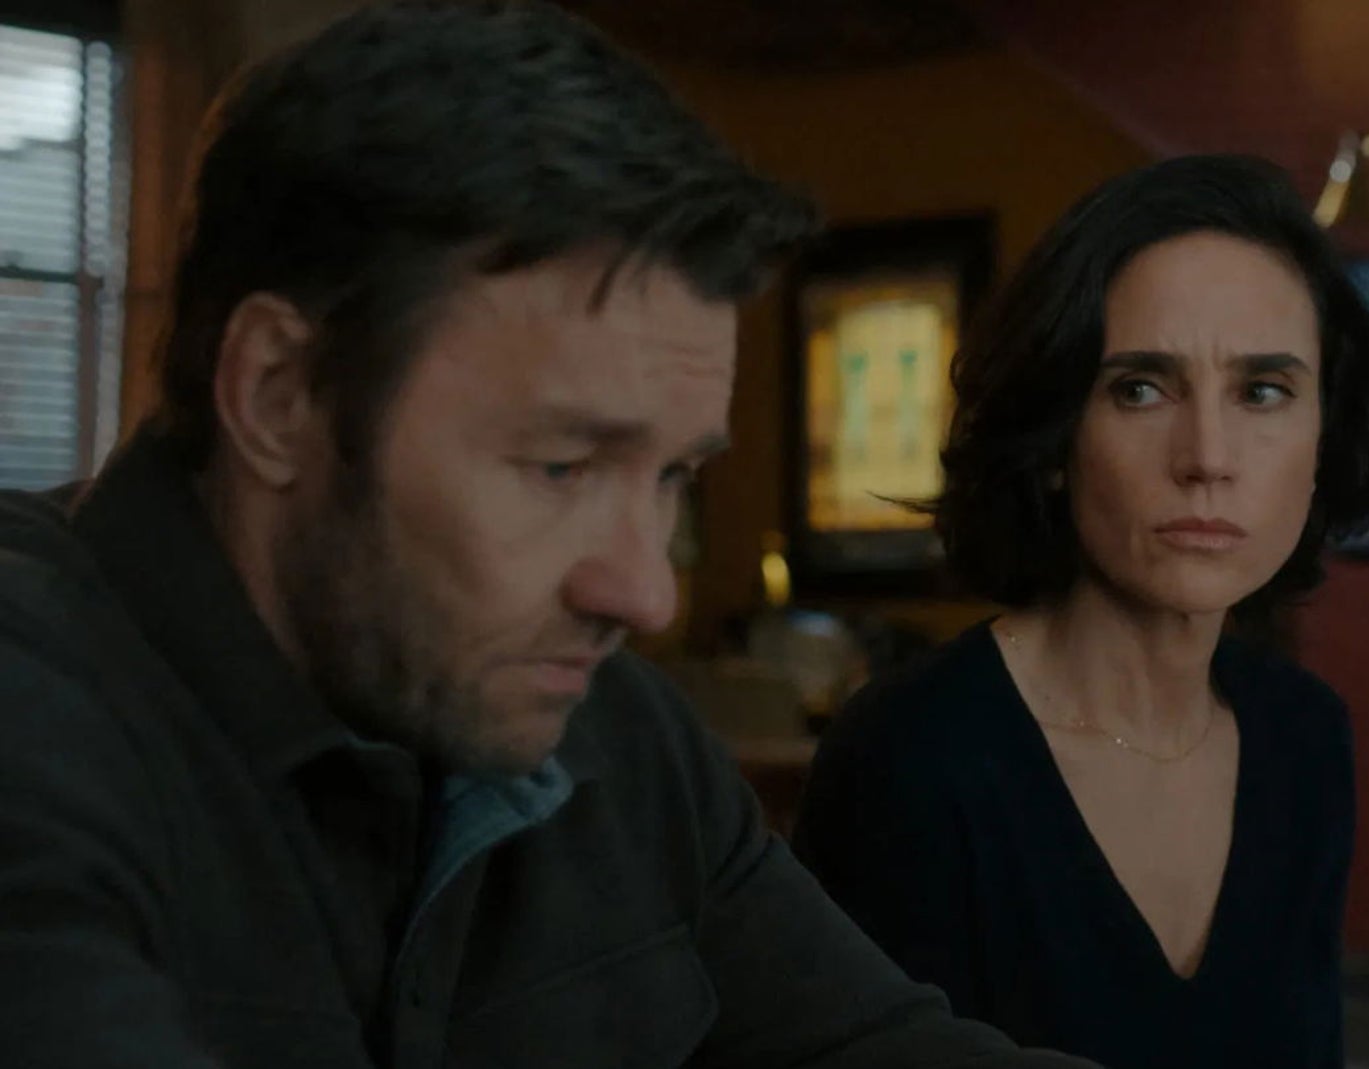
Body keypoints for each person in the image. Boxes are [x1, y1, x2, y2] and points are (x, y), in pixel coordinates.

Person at [0, 3, 1100, 1066]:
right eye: (562, 467)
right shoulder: (36, 709)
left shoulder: (618, 734)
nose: (645, 594)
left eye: (672, 476)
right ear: (279, 393)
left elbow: (879, 1046)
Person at [793, 155, 1369, 1069]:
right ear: (1054, 437)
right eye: (1140, 388)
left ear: (1324, 438)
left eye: (1263, 391)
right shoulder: (915, 755)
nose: (1207, 456)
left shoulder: (1305, 737)